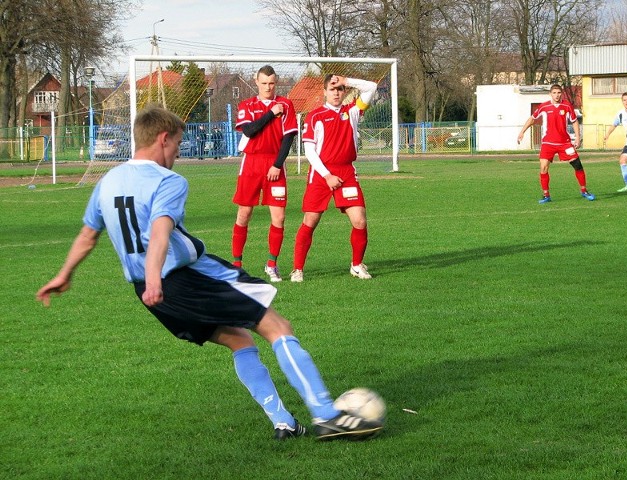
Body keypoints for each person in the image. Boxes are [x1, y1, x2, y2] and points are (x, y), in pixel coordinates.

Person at [35, 104, 382, 442]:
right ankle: (325, 414)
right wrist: (156, 277)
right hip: (183, 278)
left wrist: (64, 274)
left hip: (148, 293)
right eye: (178, 145)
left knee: (238, 339)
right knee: (276, 327)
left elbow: (87, 234)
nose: (177, 153)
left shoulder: (109, 181)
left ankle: (284, 422)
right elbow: (159, 231)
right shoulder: (167, 180)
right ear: (163, 139)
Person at [290, 74, 377, 283]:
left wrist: (345, 80)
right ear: (325, 92)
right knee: (310, 221)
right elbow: (309, 150)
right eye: (332, 88)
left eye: (339, 89)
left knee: (360, 220)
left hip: (346, 172)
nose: (336, 92)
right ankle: (297, 269)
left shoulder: (352, 111)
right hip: (321, 174)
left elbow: (371, 87)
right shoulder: (315, 116)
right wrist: (327, 175)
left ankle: (356, 265)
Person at [232, 65, 297, 282]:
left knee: (278, 217)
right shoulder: (247, 105)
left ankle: (272, 265)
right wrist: (271, 113)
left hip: (275, 164)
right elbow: (249, 130)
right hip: (251, 162)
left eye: (272, 83)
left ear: (275, 82)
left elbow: (288, 137)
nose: (268, 87)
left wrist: (278, 164)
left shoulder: (286, 104)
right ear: (256, 82)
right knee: (244, 214)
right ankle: (237, 265)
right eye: (264, 83)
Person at [517, 84, 595, 204]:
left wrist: (578, 138)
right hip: (548, 143)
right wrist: (522, 132)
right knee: (543, 167)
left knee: (577, 165)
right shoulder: (544, 106)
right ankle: (546, 195)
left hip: (565, 143)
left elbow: (574, 122)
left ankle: (584, 191)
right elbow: (532, 119)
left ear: (561, 94)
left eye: (559, 93)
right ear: (550, 94)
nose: (557, 95)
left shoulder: (567, 105)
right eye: (554, 93)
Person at [603, 92, 627, 192]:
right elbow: (614, 125)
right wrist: (607, 134)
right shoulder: (620, 114)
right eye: (624, 100)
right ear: (622, 101)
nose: (626, 102)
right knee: (622, 160)